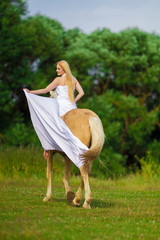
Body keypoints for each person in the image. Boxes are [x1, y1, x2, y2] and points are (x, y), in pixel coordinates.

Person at [23, 60, 88, 168]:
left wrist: (30, 92)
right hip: (72, 106)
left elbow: (45, 90)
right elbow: (82, 93)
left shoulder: (58, 80)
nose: (56, 70)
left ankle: (47, 149)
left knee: (48, 123)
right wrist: (74, 101)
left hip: (60, 107)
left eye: (58, 68)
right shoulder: (73, 79)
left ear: (64, 69)